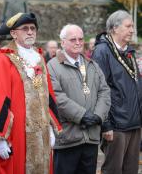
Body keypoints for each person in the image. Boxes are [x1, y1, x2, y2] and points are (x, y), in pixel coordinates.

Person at [0, 12, 61, 174]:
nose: (30, 32)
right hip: (17, 135)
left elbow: (47, 95)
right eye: (25, 28)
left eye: (33, 28)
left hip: (41, 133)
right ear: (13, 33)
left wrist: (49, 127)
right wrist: (0, 138)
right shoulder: (4, 58)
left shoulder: (39, 57)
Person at [47, 24, 111, 174]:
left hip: (91, 136)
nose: (78, 42)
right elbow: (56, 97)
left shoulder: (92, 65)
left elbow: (104, 91)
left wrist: (98, 116)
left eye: (81, 39)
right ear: (63, 42)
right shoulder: (53, 66)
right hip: (67, 138)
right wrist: (82, 115)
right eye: (73, 39)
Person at [92, 10, 142, 174]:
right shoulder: (102, 52)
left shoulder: (128, 51)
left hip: (134, 123)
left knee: (131, 170)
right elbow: (99, 90)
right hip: (117, 126)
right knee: (113, 170)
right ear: (114, 28)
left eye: (132, 26)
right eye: (128, 26)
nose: (132, 30)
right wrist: (106, 125)